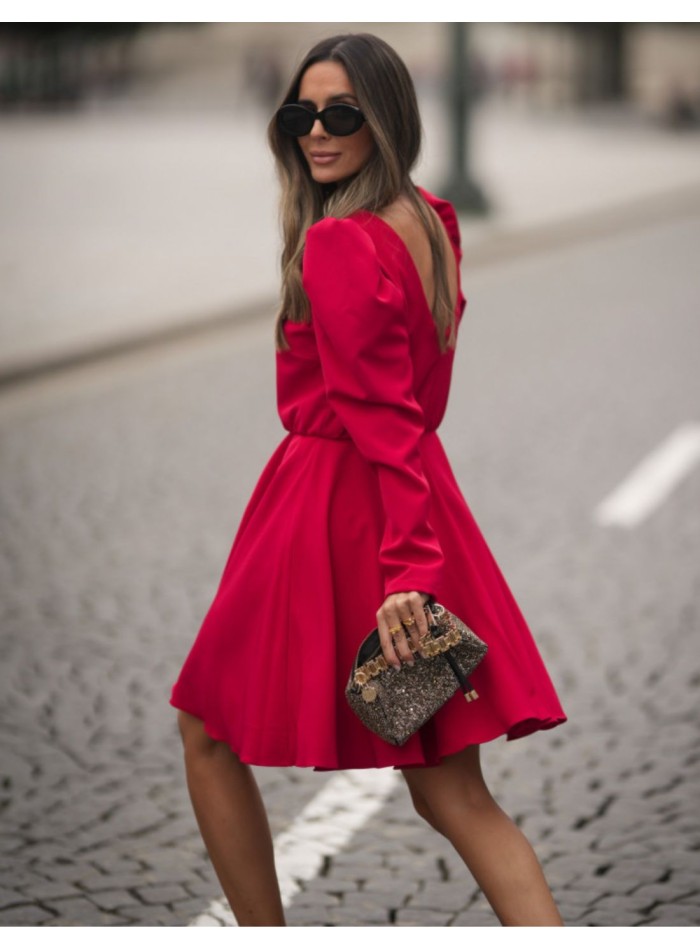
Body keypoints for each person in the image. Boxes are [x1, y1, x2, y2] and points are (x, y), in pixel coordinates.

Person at [170, 32, 567, 927]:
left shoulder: (341, 244)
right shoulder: (431, 218)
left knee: (206, 727)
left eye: (341, 113)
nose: (317, 131)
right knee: (453, 796)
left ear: (385, 118)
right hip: (412, 499)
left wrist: (410, 574)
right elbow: (411, 414)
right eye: (301, 113)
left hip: (343, 516)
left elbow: (380, 420)